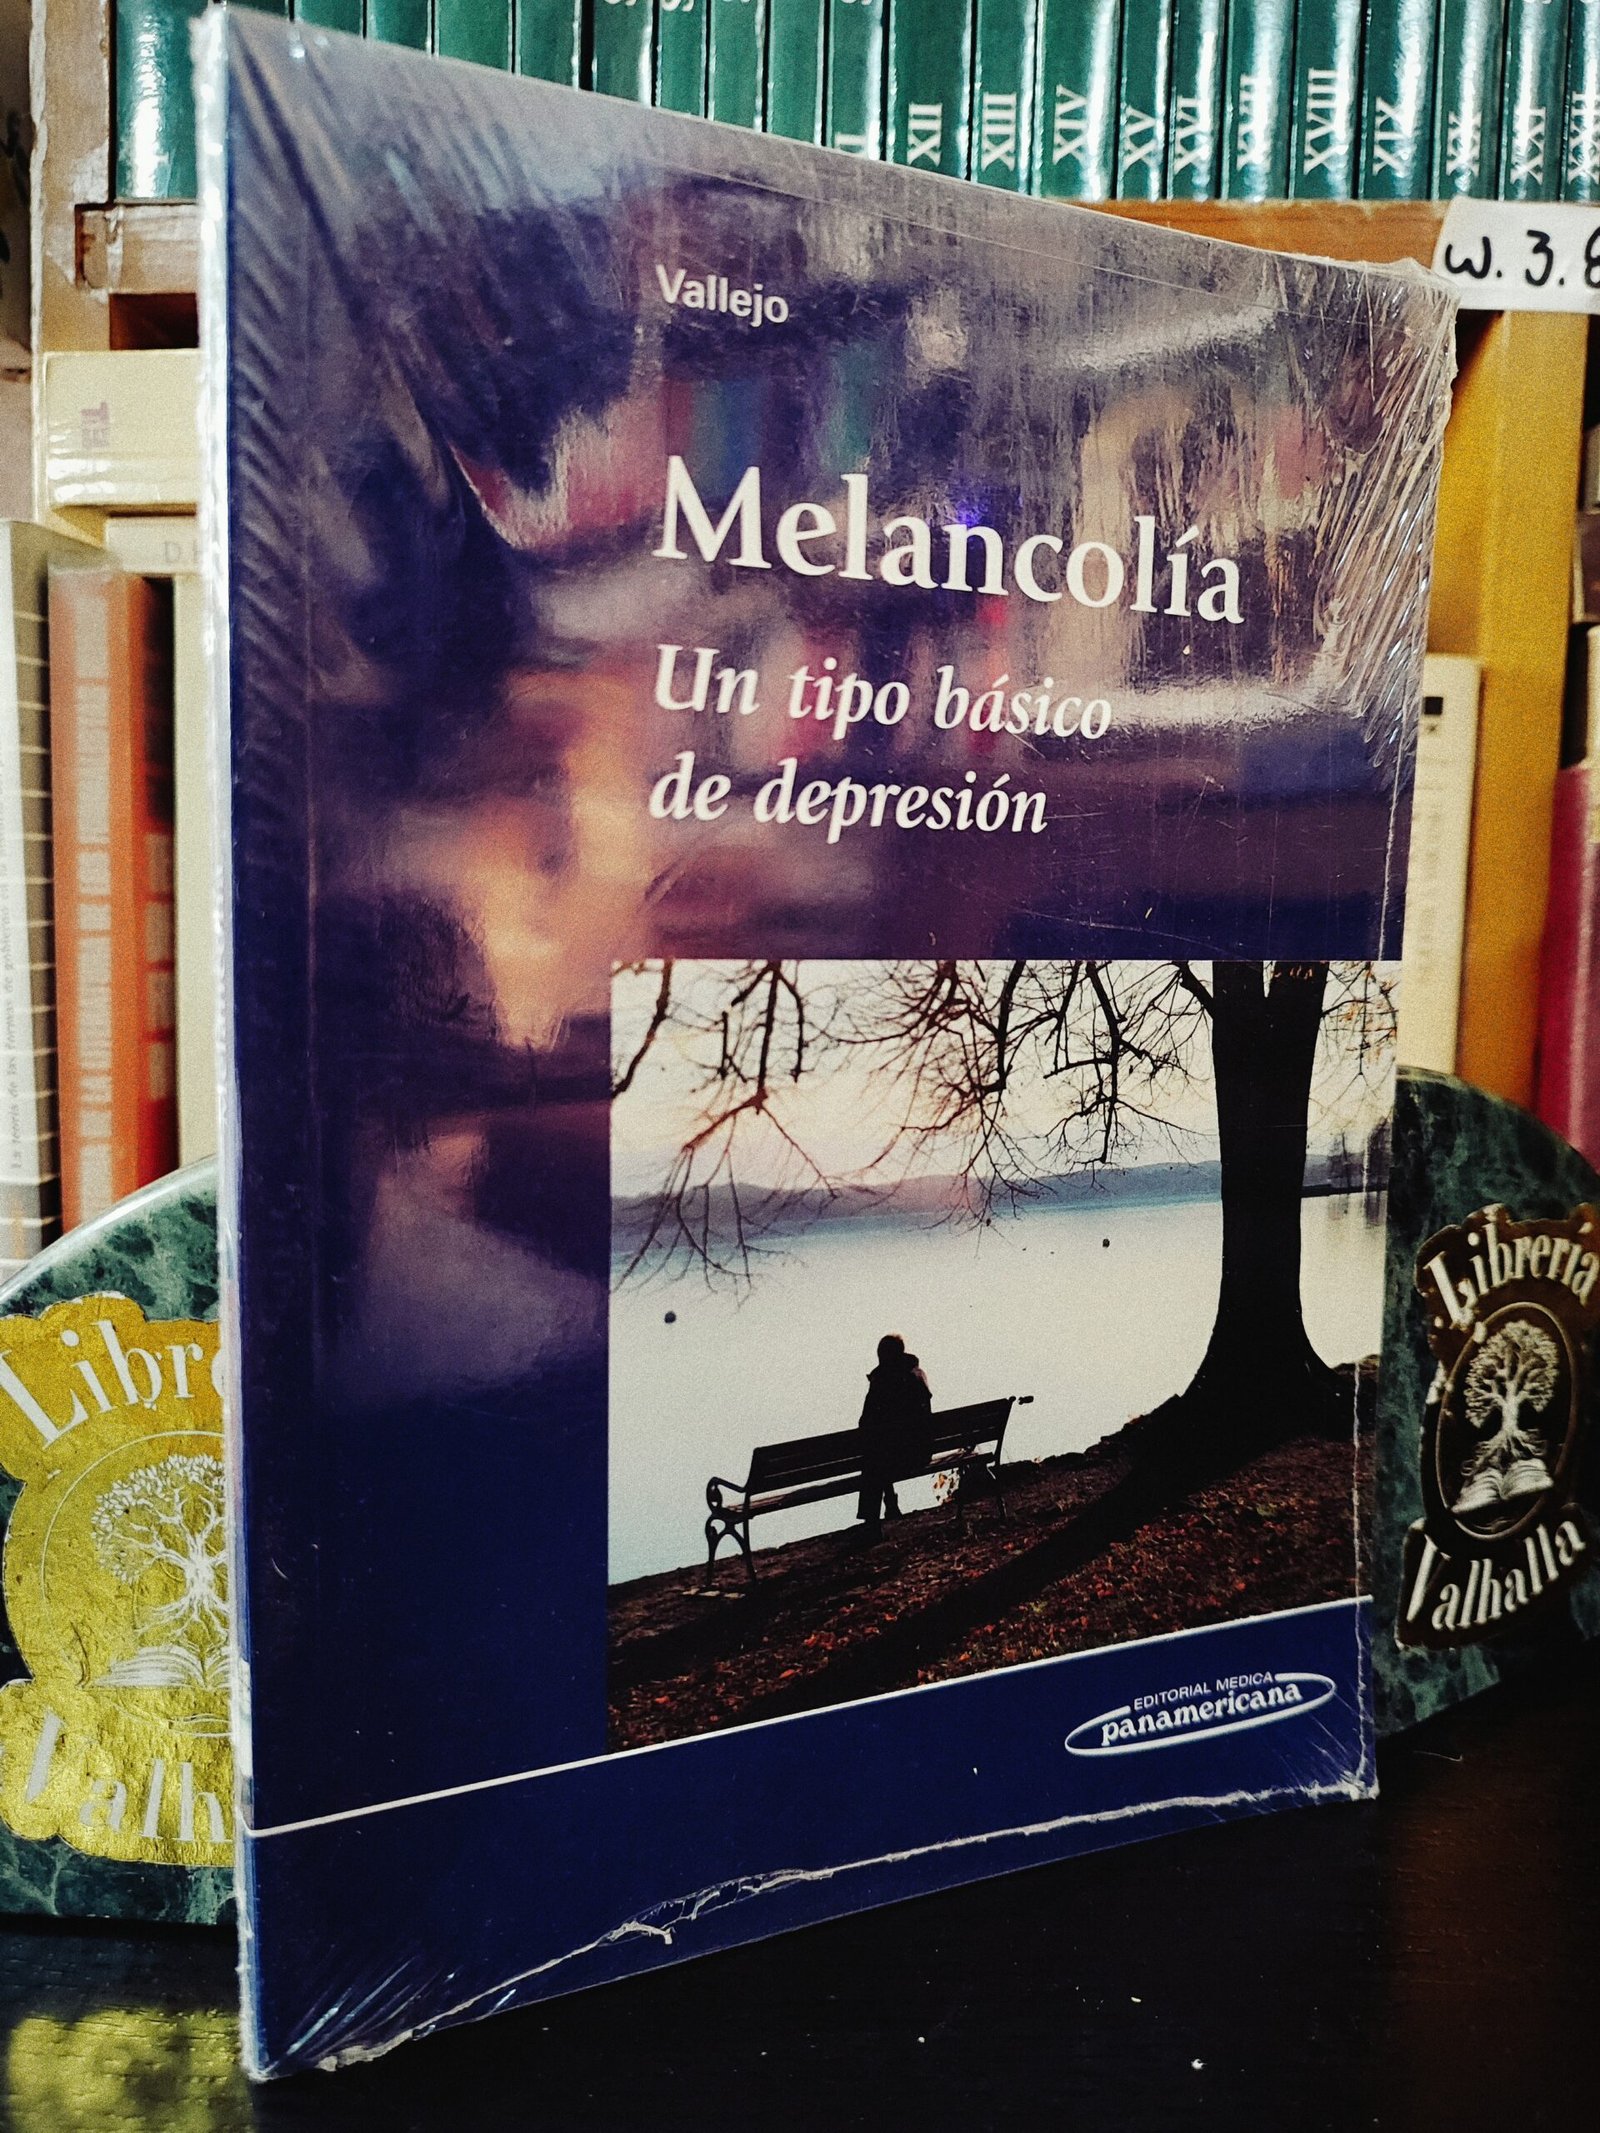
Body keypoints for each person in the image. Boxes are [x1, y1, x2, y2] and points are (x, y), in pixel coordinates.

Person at [856, 1334, 932, 1538]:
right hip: (923, 1451)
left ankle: (872, 1522)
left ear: (883, 1356)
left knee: (874, 1459)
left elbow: (865, 1422)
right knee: (880, 1451)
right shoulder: (918, 1375)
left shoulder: (883, 1381)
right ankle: (890, 1505)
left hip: (898, 1456)